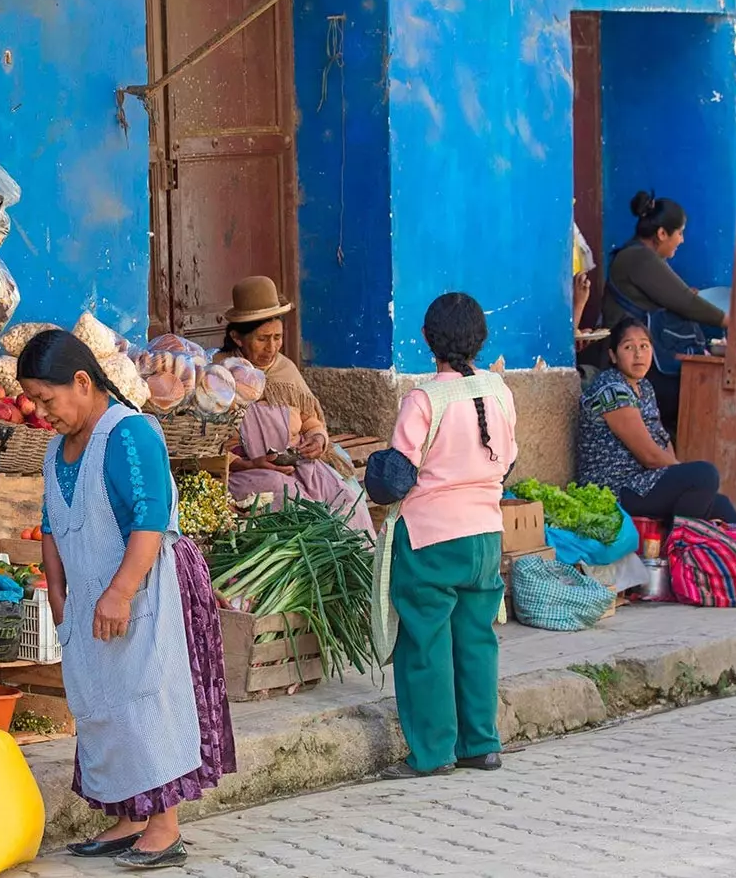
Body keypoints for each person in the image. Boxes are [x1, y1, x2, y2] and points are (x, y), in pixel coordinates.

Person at [21, 330, 234, 871]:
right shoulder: (56, 448)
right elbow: (50, 523)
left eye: (48, 399)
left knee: (147, 695)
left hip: (147, 585)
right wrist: (57, 588)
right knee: (103, 699)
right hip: (93, 593)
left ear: (83, 381)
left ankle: (165, 828)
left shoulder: (130, 433)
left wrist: (120, 591)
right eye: (35, 402)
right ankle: (129, 818)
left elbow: (151, 518)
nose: (43, 412)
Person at [364, 294, 516, 778]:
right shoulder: (500, 391)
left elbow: (397, 477)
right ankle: (481, 744)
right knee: (476, 638)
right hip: (486, 535)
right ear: (480, 339)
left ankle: (432, 753)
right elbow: (509, 461)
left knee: (425, 642)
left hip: (431, 538)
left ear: (428, 340)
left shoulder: (423, 399)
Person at [575, 319, 736, 597]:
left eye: (644, 346)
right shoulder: (611, 390)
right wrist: (685, 478)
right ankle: (681, 561)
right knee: (704, 476)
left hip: (641, 482)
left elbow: (662, 441)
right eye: (628, 347)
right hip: (613, 490)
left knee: (719, 502)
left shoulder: (643, 388)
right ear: (613, 355)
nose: (638, 354)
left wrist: (682, 478)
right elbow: (649, 455)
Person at [217, 276, 361, 518]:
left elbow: (310, 420)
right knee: (292, 498)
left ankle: (359, 556)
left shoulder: (286, 370)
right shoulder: (219, 377)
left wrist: (317, 439)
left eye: (277, 337)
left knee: (345, 500)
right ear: (237, 337)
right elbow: (208, 451)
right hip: (247, 473)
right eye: (262, 339)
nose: (272, 348)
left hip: (297, 465)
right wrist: (251, 464)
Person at [600, 192, 726, 430]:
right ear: (661, 234)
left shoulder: (637, 255)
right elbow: (685, 301)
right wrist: (730, 321)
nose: (682, 240)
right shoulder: (639, 258)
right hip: (629, 360)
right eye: (679, 232)